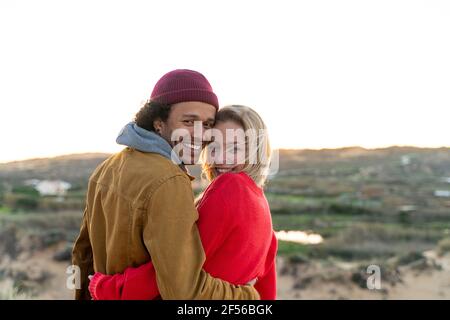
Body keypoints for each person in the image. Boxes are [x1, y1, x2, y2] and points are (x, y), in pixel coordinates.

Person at [71, 70, 260, 300]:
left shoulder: (105, 169)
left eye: (208, 124)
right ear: (158, 122)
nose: (201, 135)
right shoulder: (170, 181)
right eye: (188, 121)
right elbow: (184, 292)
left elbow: (82, 257)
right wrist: (249, 297)